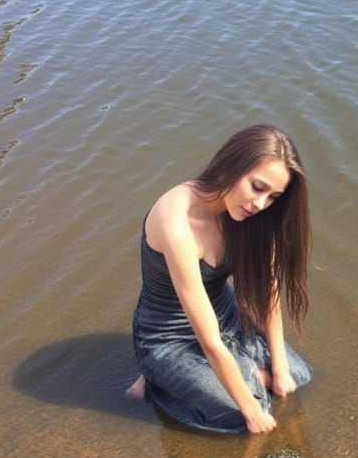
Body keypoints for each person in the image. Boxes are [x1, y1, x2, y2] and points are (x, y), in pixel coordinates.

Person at [128, 124, 312, 433]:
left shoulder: (251, 213)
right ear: (232, 166)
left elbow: (270, 294)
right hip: (168, 337)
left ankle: (245, 373)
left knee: (298, 376)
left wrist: (279, 369)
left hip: (224, 316)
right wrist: (252, 411)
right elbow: (208, 339)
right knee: (237, 415)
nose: (260, 204)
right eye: (257, 187)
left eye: (273, 196)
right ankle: (155, 383)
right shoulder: (176, 221)